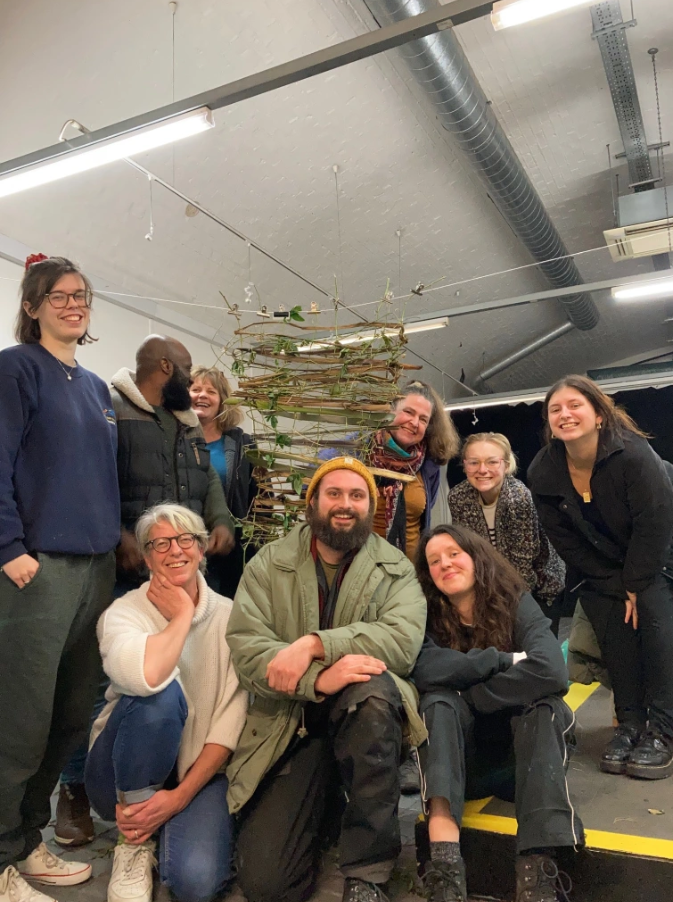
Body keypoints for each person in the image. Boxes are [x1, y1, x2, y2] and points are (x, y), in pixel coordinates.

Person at [56, 336, 238, 845]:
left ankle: (161, 779)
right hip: (121, 571)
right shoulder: (110, 409)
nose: (194, 379)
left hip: (179, 566)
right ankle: (75, 787)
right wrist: (117, 535)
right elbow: (87, 480)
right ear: (165, 367)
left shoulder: (185, 421)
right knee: (97, 682)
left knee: (177, 673)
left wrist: (218, 519)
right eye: (186, 369)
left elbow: (209, 482)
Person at [226, 457, 427, 902]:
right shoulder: (268, 565)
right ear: (312, 502)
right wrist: (318, 681)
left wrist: (315, 645)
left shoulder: (394, 569)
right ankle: (327, 808)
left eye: (357, 496)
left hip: (361, 717)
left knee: (374, 695)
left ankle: (368, 872)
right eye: (333, 493)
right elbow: (247, 649)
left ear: (369, 507)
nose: (345, 504)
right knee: (268, 885)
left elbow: (401, 641)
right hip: (288, 724)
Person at [0, 254, 120, 902]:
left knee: (70, 716)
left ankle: (23, 844)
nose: (73, 304)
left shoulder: (96, 389)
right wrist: (8, 547)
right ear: (33, 305)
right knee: (18, 724)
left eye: (81, 295)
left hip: (95, 572)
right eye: (59, 296)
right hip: (36, 572)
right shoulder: (16, 369)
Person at [85, 503, 247, 902]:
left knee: (196, 883)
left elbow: (229, 723)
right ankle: (135, 842)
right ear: (145, 556)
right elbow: (147, 677)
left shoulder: (233, 618)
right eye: (159, 543)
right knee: (159, 695)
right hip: (118, 773)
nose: (174, 550)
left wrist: (179, 797)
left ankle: (164, 821)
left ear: (202, 547)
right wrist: (181, 617)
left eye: (185, 539)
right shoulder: (122, 613)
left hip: (197, 771)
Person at [413, 524, 583, 902]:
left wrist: (472, 694)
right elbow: (422, 668)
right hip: (464, 764)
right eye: (434, 561)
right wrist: (500, 660)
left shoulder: (516, 601)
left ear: (476, 558)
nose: (445, 564)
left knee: (545, 707)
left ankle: (537, 873)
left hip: (521, 763)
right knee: (437, 702)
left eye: (454, 553)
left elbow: (551, 670)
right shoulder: (425, 614)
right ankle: (445, 869)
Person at [528, 374, 673, 779]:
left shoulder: (632, 454)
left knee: (657, 632)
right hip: (599, 566)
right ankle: (629, 723)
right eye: (555, 409)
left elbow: (655, 523)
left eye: (575, 405)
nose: (565, 414)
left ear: (598, 414)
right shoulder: (545, 469)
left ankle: (662, 731)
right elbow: (564, 540)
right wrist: (613, 584)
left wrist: (634, 584)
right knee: (615, 636)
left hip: (657, 554)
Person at [448, 432, 565, 634]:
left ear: (505, 464)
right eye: (474, 463)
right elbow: (471, 551)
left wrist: (501, 607)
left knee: (534, 650)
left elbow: (523, 566)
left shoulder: (519, 498)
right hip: (490, 586)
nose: (482, 470)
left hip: (537, 587)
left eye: (492, 462)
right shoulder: (458, 497)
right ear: (465, 465)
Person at [190, 366, 257, 598]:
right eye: (195, 389)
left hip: (227, 550)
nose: (202, 395)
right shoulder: (176, 439)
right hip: (185, 544)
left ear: (222, 402)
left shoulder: (242, 445)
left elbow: (253, 496)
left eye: (211, 391)